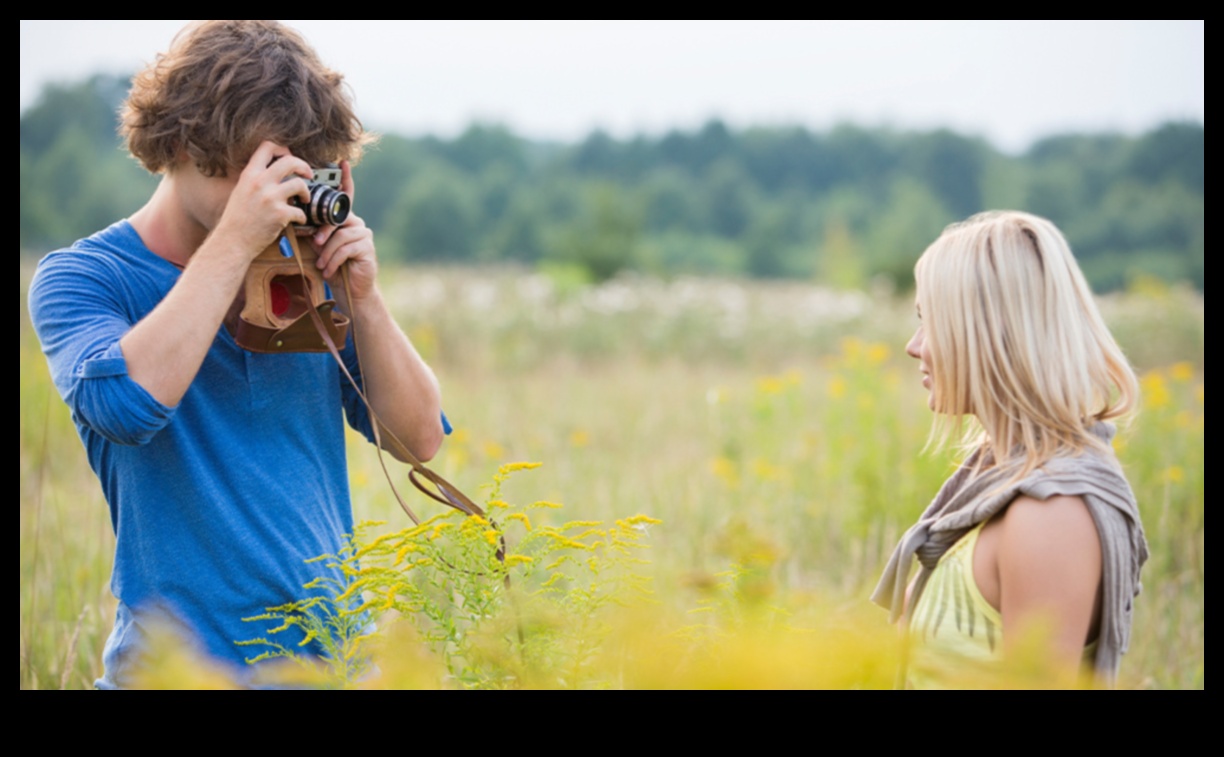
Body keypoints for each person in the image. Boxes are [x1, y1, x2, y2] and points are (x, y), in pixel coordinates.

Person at [27, 20, 446, 688]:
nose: (276, 196)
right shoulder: (85, 279)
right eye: (261, 168)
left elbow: (419, 438)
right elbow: (126, 406)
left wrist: (363, 299)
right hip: (173, 673)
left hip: (330, 668)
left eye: (296, 169)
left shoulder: (302, 269)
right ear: (183, 143)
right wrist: (234, 241)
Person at [872, 210, 1149, 689]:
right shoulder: (999, 486)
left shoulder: (1050, 513)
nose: (914, 346)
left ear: (988, 334)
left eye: (930, 322)